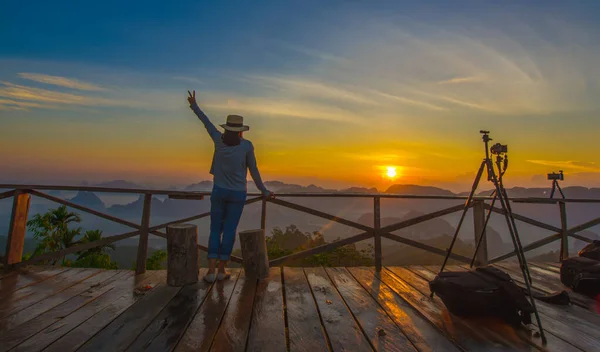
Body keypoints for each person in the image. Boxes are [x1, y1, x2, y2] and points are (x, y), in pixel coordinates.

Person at [187, 90, 273, 282]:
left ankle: (209, 271)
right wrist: (264, 191)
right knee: (229, 230)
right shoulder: (247, 146)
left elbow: (206, 122)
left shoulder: (218, 140)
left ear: (226, 128)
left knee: (215, 229)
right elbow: (254, 171)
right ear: (241, 130)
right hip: (237, 195)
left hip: (218, 191)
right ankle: (221, 270)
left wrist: (194, 105)